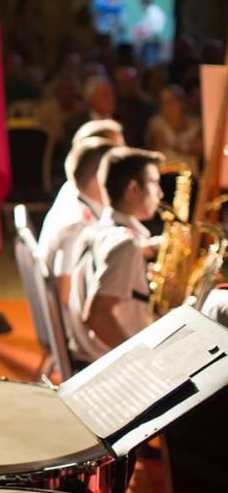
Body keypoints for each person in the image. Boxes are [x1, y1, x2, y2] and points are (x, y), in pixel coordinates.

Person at [67, 148, 164, 363]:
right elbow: (97, 316)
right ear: (133, 189)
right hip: (105, 361)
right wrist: (143, 360)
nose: (160, 194)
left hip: (86, 353)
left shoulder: (94, 230)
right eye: (155, 183)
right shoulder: (125, 245)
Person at [37, 137, 115, 305]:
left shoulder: (71, 191)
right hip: (73, 323)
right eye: (116, 174)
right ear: (99, 178)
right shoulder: (78, 227)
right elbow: (64, 296)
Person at [132, 0, 166, 67]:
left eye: (141, 4)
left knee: (150, 60)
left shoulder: (153, 12)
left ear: (145, 3)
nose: (141, 6)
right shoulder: (153, 11)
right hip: (151, 38)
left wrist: (140, 33)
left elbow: (150, 28)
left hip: (152, 38)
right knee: (146, 58)